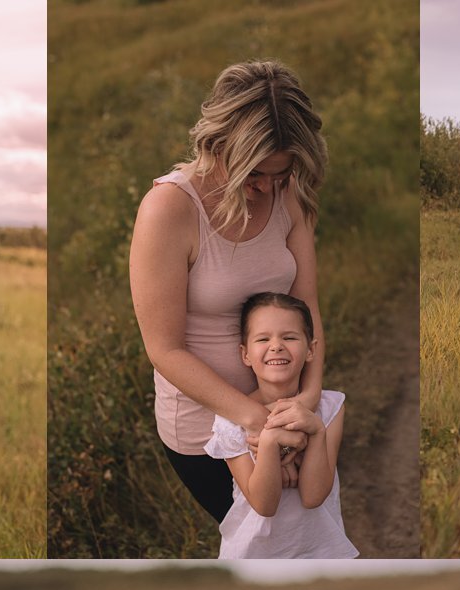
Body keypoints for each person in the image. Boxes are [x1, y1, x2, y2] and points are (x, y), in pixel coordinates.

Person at [130, 63, 328, 531]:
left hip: (284, 411)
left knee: (303, 537)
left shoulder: (287, 195)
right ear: (218, 145)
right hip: (206, 432)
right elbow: (164, 349)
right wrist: (255, 421)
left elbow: (309, 310)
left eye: (280, 174)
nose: (267, 188)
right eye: (255, 173)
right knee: (263, 539)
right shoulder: (170, 209)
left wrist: (309, 399)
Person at [202, 294, 356, 560]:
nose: (276, 346)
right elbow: (264, 504)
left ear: (311, 349)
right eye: (263, 339)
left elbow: (313, 496)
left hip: (320, 551)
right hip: (253, 553)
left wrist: (317, 432)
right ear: (245, 354)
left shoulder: (331, 407)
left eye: (290, 337)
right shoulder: (230, 422)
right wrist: (271, 442)